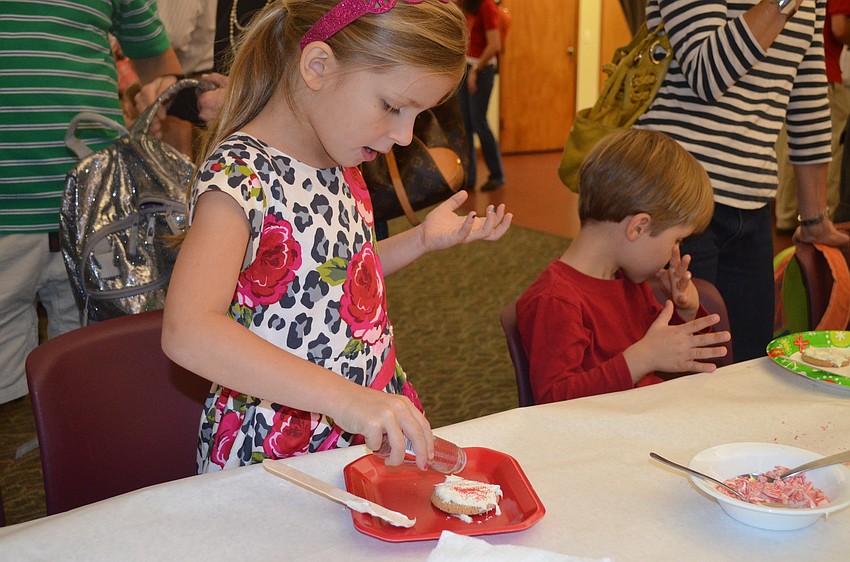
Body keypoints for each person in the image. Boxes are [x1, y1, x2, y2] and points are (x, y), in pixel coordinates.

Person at [160, 0, 513, 473]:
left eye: (417, 115)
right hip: (277, 444)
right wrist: (344, 399)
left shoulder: (342, 161)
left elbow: (331, 275)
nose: (406, 137)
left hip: (363, 417)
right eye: (392, 106)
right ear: (318, 66)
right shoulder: (243, 175)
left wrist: (421, 240)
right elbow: (188, 331)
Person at [635, 0, 849, 362]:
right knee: (683, 369)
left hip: (751, 201)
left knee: (749, 361)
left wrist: (814, 220)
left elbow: (807, 96)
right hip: (674, 197)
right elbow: (706, 74)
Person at [0, 0, 183, 405]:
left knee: (98, 382)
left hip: (99, 217)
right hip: (8, 217)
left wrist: (154, 94)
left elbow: (157, 61)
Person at [516, 129, 730, 404]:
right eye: (676, 240)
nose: (674, 252)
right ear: (638, 227)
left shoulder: (628, 283)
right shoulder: (556, 300)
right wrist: (639, 359)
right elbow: (554, 400)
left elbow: (684, 360)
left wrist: (687, 313)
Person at [774, 0, 850, 234]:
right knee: (828, 150)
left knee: (792, 148)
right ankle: (814, 219)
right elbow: (839, 27)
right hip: (824, 75)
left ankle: (788, 218)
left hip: (803, 72)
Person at [456, 0, 506, 192]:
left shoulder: (487, 6)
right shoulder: (468, 4)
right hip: (468, 67)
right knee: (466, 124)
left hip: (482, 70)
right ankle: (469, 177)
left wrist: (476, 70)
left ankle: (496, 175)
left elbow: (494, 45)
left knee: (479, 122)